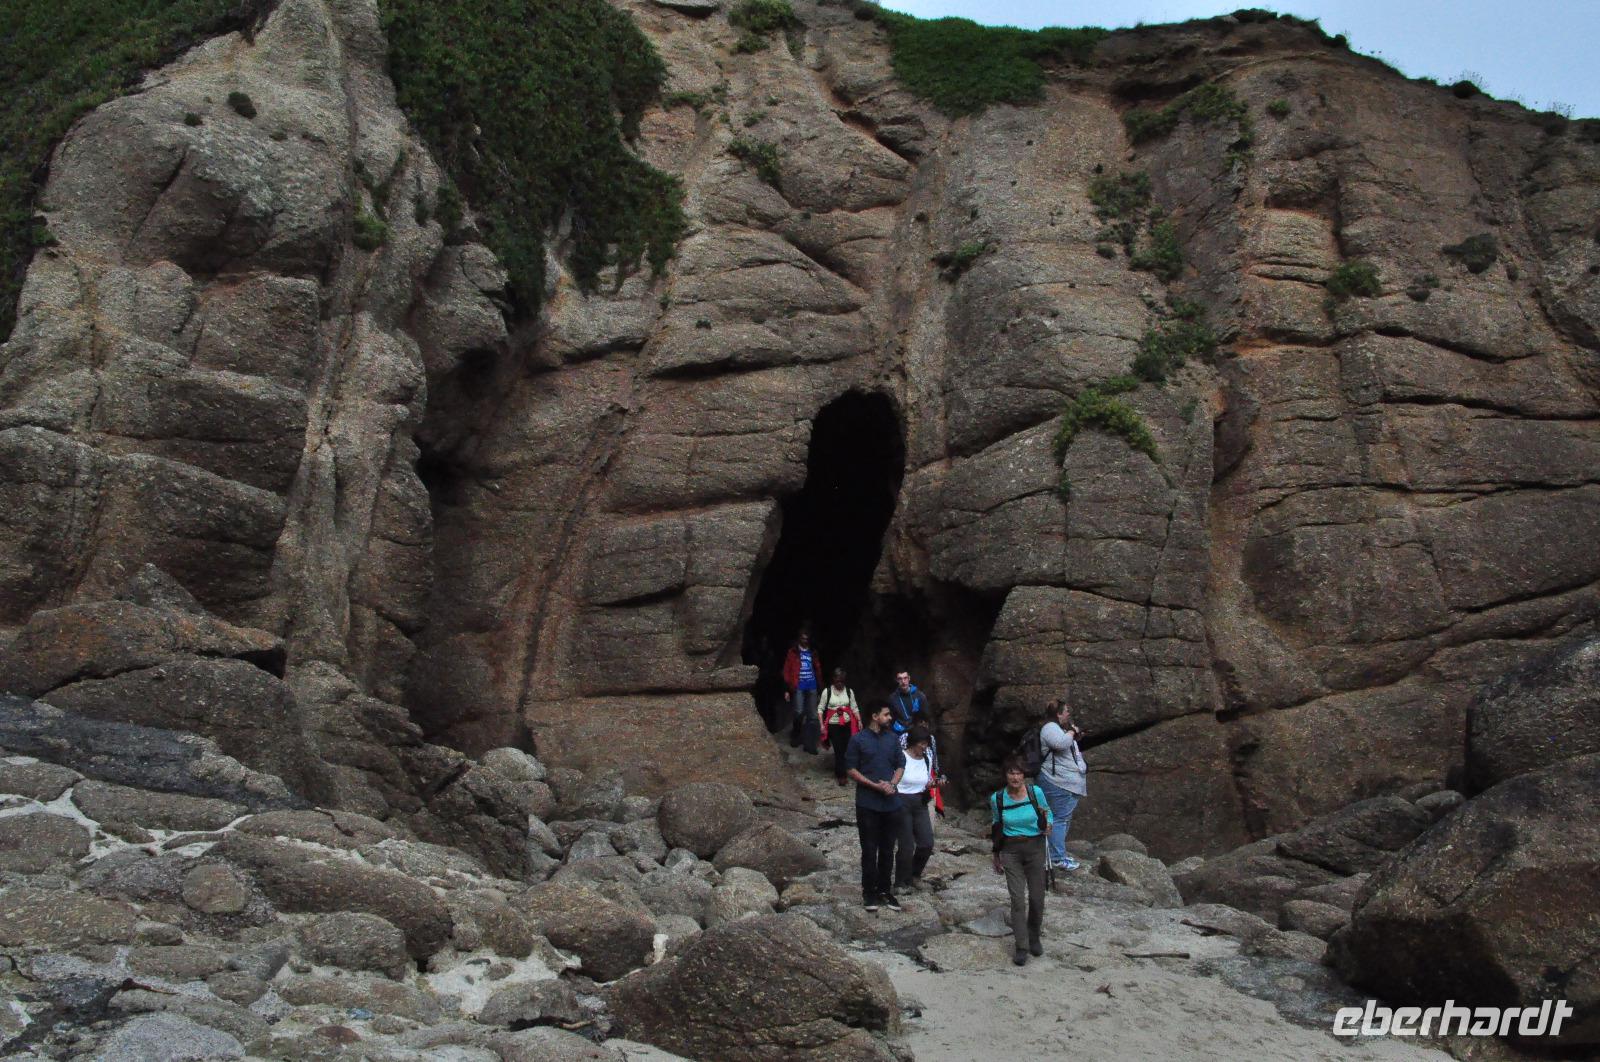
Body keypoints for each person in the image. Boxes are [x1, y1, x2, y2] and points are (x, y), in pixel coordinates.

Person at [991, 755, 1051, 966]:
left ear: (1024, 775)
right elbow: (997, 825)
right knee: (1017, 899)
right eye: (1011, 773)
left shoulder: (1036, 793)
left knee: (1037, 897)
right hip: (1011, 850)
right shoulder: (998, 798)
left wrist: (1048, 824)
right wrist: (996, 854)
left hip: (1034, 847)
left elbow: (1047, 812)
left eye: (1018, 773)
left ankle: (1034, 936)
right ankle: (1022, 945)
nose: (1015, 777)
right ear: (1005, 776)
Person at [845, 705, 906, 912]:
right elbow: (851, 769)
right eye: (886, 714)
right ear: (874, 715)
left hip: (891, 803)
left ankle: (884, 891)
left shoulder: (893, 739)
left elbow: (900, 764)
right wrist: (874, 785)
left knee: (888, 849)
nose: (889, 718)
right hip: (867, 803)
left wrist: (892, 784)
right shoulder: (858, 740)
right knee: (869, 850)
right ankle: (868, 892)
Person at [1038, 699, 1087, 871]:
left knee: (1061, 819)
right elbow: (1060, 744)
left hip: (1065, 782)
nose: (1068, 714)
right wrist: (1072, 732)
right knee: (1058, 819)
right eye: (1066, 711)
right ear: (1058, 713)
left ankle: (1056, 853)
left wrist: (1073, 734)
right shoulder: (1050, 727)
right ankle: (1056, 858)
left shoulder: (1058, 729)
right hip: (1057, 782)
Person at [893, 725, 943, 891]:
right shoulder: (901, 757)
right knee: (906, 846)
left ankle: (914, 874)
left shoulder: (928, 756)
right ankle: (900, 881)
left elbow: (927, 780)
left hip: (920, 801)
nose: (924, 747)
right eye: (921, 743)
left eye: (926, 743)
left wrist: (936, 783)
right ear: (912, 743)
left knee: (926, 843)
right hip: (901, 801)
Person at [818, 668, 862, 786]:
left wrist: (859, 720)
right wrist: (822, 725)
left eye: (842, 681)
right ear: (833, 680)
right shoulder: (827, 692)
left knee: (848, 748)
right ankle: (841, 775)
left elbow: (854, 707)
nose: (840, 683)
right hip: (833, 724)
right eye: (838, 681)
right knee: (839, 750)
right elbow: (821, 709)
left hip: (847, 724)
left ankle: (849, 770)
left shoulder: (849, 691)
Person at [783, 626, 822, 754]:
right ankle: (796, 735)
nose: (805, 640)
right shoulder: (793, 652)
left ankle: (809, 744)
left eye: (807, 639)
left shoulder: (813, 651)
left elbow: (817, 669)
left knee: (812, 715)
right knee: (799, 711)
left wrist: (820, 687)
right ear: (799, 639)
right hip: (798, 685)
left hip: (811, 685)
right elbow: (787, 670)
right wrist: (787, 689)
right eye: (803, 638)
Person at [887, 669, 930, 745]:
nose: (903, 682)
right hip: (901, 734)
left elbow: (926, 718)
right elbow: (891, 720)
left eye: (905, 678)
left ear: (909, 678)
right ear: (896, 680)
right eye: (900, 679)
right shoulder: (892, 698)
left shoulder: (920, 696)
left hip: (918, 733)